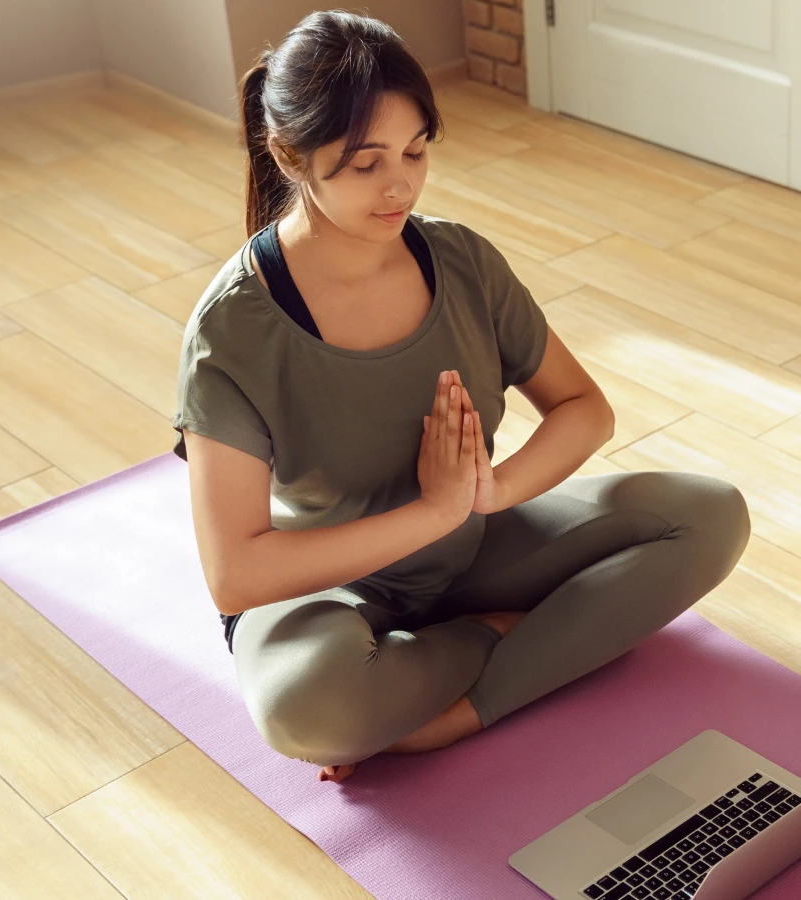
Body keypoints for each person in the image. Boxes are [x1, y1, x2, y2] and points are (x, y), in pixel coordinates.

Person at [172, 9, 751, 784]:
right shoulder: (233, 331)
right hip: (331, 590)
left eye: (416, 150)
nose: (400, 183)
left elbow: (584, 407)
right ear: (291, 155)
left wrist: (490, 491)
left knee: (710, 515)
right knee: (308, 711)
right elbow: (236, 575)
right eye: (365, 161)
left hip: (472, 547)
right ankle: (493, 638)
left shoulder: (461, 260)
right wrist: (429, 513)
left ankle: (452, 711)